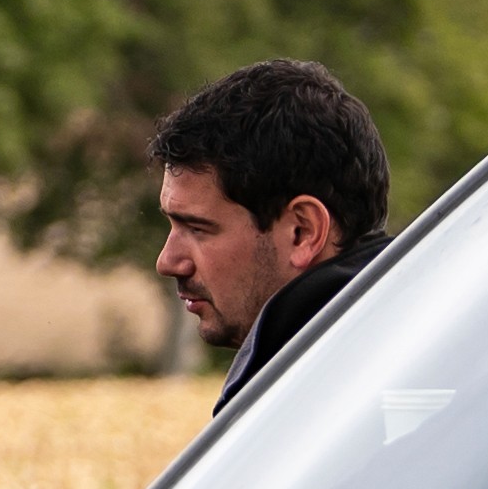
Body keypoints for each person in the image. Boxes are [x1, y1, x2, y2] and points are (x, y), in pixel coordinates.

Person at [150, 58, 393, 387]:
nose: (168, 262)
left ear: (302, 232)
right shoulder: (397, 357)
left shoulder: (335, 400)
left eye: (197, 229)